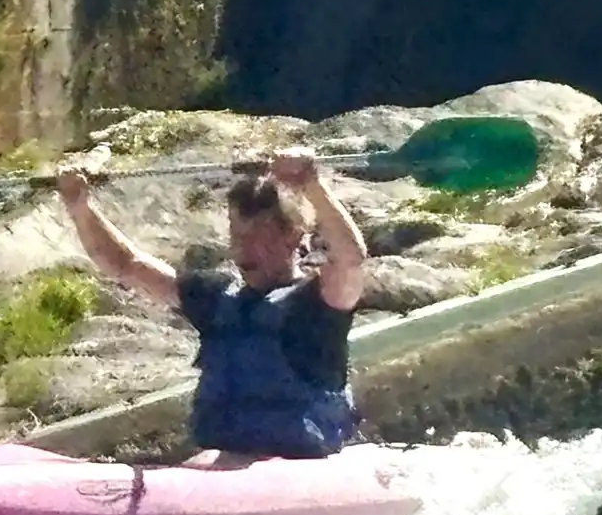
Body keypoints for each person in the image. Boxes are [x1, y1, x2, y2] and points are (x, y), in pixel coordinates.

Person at [56, 145, 369, 460]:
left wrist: (310, 184)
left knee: (204, 464)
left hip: (302, 468)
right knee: (202, 462)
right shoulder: (217, 297)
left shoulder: (319, 304)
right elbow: (126, 264)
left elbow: (351, 259)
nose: (242, 248)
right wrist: (79, 207)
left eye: (257, 235)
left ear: (292, 236)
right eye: (236, 234)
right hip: (220, 466)